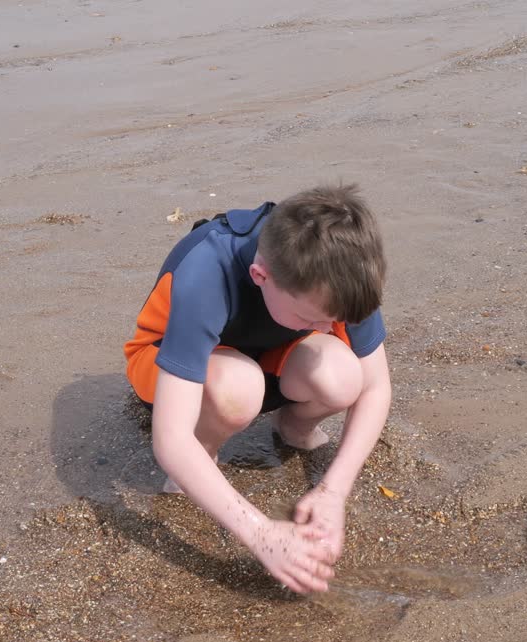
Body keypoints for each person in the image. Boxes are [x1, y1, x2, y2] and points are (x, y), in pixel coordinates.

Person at [123, 183, 391, 594]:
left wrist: (333, 492)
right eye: (316, 318)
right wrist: (262, 535)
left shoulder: (341, 268)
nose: (329, 329)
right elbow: (170, 439)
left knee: (344, 376)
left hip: (269, 348)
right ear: (259, 275)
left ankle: (294, 429)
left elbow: (374, 388)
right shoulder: (206, 272)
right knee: (237, 388)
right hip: (169, 364)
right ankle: (204, 456)